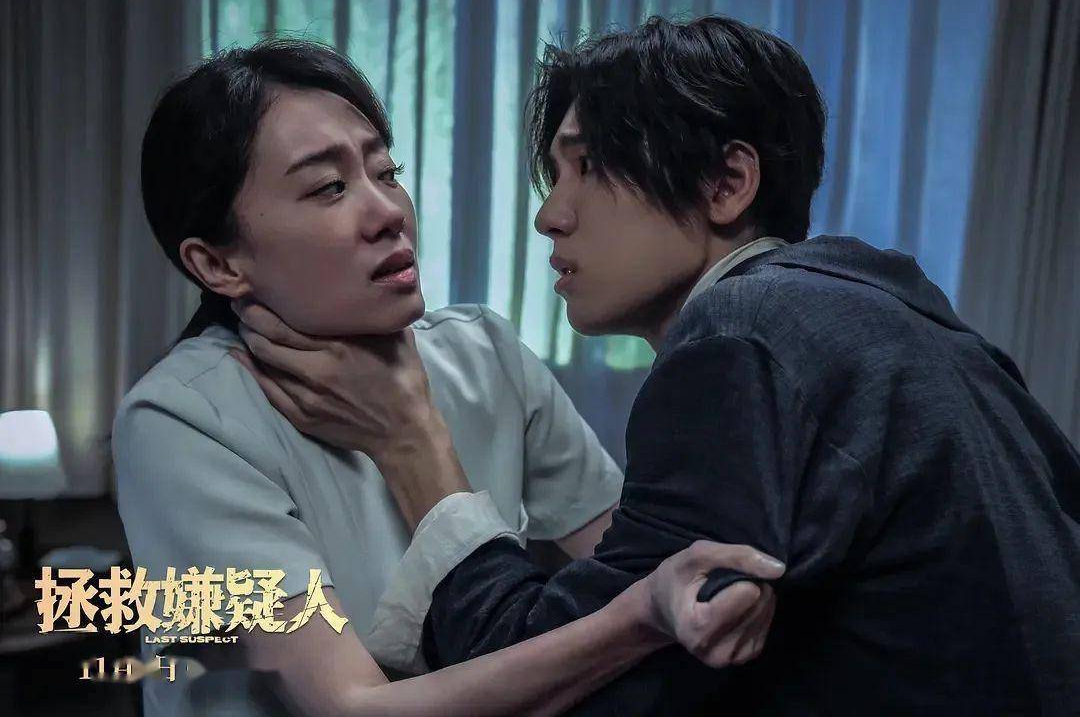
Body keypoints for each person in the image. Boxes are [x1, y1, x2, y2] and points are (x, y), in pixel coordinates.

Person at [237, 15, 1080, 715]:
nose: (549, 215)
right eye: (552, 175)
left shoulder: (740, 336)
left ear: (726, 183)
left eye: (588, 168)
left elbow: (564, 683)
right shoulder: (887, 316)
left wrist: (414, 445)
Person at [112, 38, 784, 717]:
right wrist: (640, 618)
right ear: (219, 264)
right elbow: (351, 707)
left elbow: (628, 569)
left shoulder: (484, 353)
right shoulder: (183, 420)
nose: (389, 213)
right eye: (328, 187)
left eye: (387, 171)